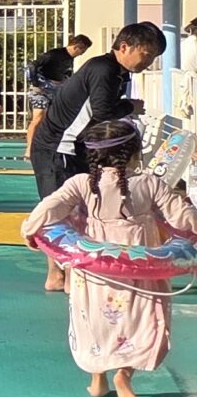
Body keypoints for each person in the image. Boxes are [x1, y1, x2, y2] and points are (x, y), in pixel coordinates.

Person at [21, 119, 192, 397]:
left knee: (94, 320)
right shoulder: (149, 184)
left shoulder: (81, 184)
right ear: (135, 152)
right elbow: (183, 216)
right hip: (140, 272)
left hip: (94, 272)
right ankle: (124, 376)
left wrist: (29, 230)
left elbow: (49, 207)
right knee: (138, 321)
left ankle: (97, 377)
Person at [32, 23, 165, 291]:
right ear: (125, 46)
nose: (148, 62)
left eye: (153, 57)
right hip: (57, 147)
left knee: (80, 211)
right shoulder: (104, 69)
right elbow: (103, 112)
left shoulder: (117, 73)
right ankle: (58, 274)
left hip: (76, 147)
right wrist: (130, 106)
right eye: (146, 54)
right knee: (61, 210)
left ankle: (68, 272)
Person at [24, 34, 93, 151]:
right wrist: (35, 84)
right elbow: (32, 66)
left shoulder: (70, 59)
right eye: (82, 50)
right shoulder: (54, 54)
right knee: (38, 117)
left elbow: (65, 74)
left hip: (56, 90)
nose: (82, 54)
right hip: (42, 88)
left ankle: (45, 145)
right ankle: (29, 148)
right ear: (77, 47)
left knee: (51, 119)